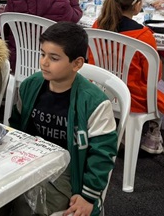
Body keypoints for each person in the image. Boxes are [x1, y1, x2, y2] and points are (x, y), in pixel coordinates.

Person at [9, 22, 117, 216]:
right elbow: (16, 128)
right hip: (29, 163)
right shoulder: (30, 86)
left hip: (70, 174)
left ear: (77, 64)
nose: (44, 62)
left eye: (54, 58)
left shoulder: (94, 103)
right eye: (42, 54)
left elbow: (102, 155)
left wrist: (88, 196)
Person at [92, 0, 164, 154]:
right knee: (163, 89)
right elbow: (154, 76)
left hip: (101, 90)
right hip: (135, 97)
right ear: (138, 5)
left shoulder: (97, 25)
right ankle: (152, 132)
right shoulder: (144, 35)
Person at [4, 0, 82, 69]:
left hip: (17, 61)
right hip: (50, 64)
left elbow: (5, 30)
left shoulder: (15, 2)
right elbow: (77, 14)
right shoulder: (61, 4)